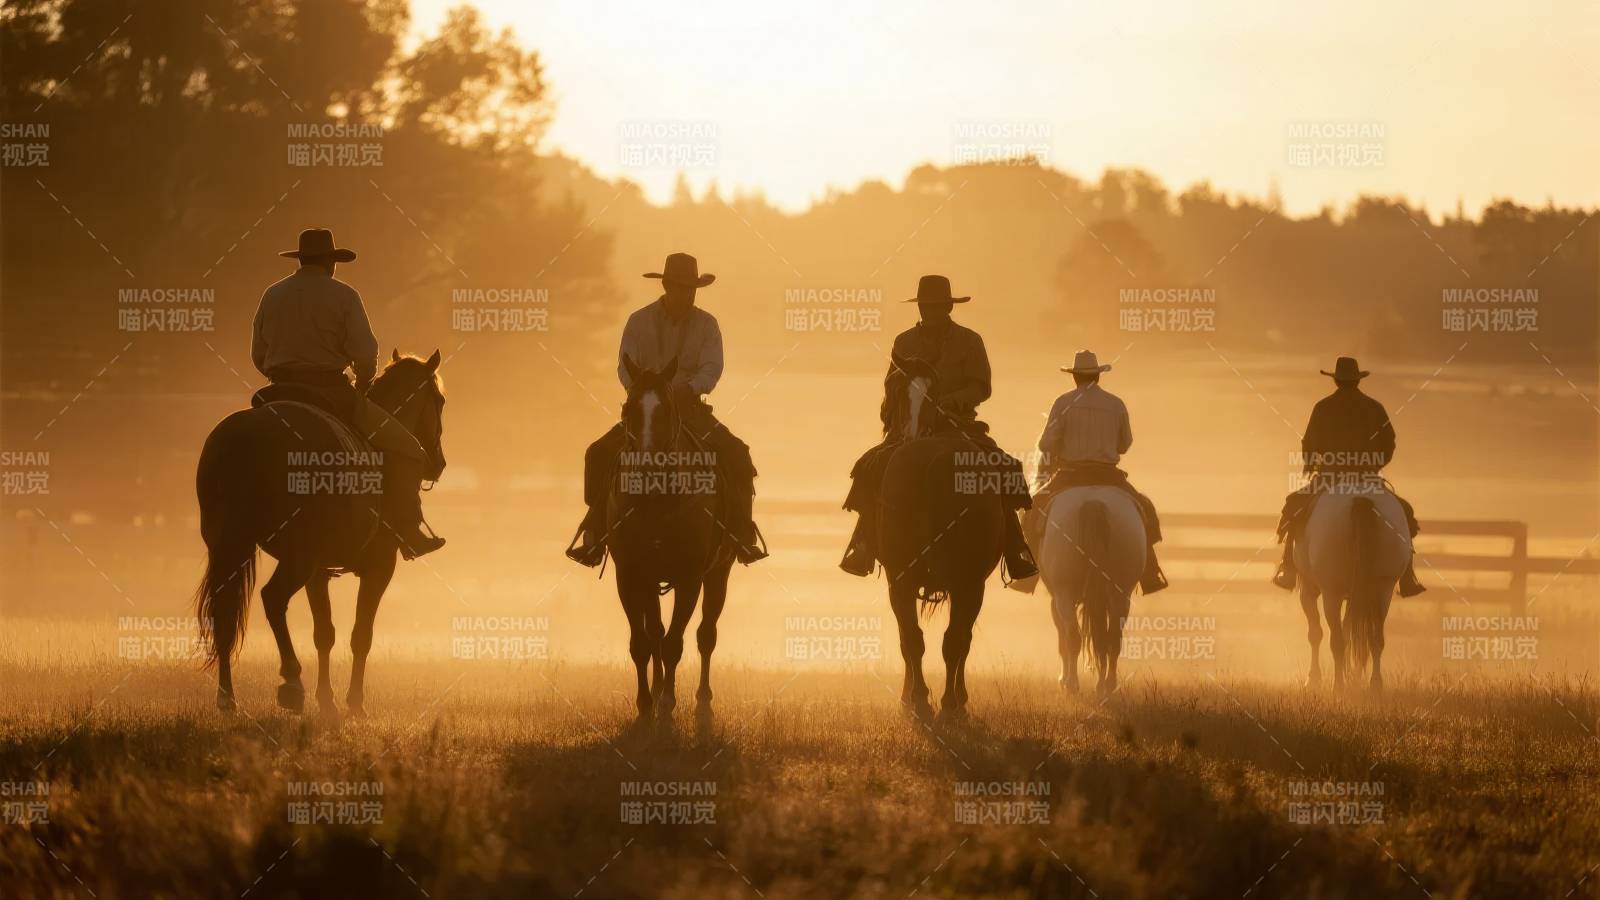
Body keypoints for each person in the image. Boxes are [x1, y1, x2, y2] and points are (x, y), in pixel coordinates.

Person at [250, 227, 445, 559]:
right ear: (331, 261)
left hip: (278, 392)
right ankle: (409, 533)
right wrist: (363, 383)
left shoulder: (272, 294)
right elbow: (366, 355)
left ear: (301, 259)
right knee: (408, 450)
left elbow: (258, 354)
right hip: (331, 392)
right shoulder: (343, 296)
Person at [566, 252, 767, 567]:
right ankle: (596, 532)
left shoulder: (706, 324)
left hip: (689, 408)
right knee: (598, 454)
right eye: (677, 286)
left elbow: (711, 369)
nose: (683, 293)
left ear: (695, 290)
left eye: (688, 288)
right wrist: (642, 393)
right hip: (647, 409)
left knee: (738, 454)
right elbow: (624, 366)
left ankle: (741, 533)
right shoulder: (639, 321)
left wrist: (687, 389)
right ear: (666, 286)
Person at [840, 275, 1037, 579]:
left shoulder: (970, 341)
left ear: (948, 307)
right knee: (870, 467)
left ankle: (1014, 545)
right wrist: (896, 411)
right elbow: (892, 384)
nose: (928, 311)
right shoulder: (904, 342)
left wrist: (952, 401)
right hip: (911, 425)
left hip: (958, 425)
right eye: (924, 306)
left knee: (1004, 467)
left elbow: (981, 387)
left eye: (934, 306)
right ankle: (863, 542)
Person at [1273, 356, 1425, 597]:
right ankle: (1407, 577)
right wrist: (1374, 465)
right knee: (1404, 512)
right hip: (1367, 476)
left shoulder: (1322, 407)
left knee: (1293, 506)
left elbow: (1309, 442)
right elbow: (1389, 442)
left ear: (1336, 380)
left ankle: (1288, 569)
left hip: (1330, 476)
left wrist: (1312, 463)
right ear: (1357, 380)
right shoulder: (1374, 407)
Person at [1019, 350, 1167, 594]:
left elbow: (1046, 444)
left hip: (1070, 475)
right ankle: (1150, 573)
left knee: (1033, 512)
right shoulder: (1116, 403)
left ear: (1075, 377)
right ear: (1098, 377)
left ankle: (1027, 575)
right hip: (1108, 476)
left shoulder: (1063, 402)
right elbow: (1124, 444)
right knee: (1145, 511)